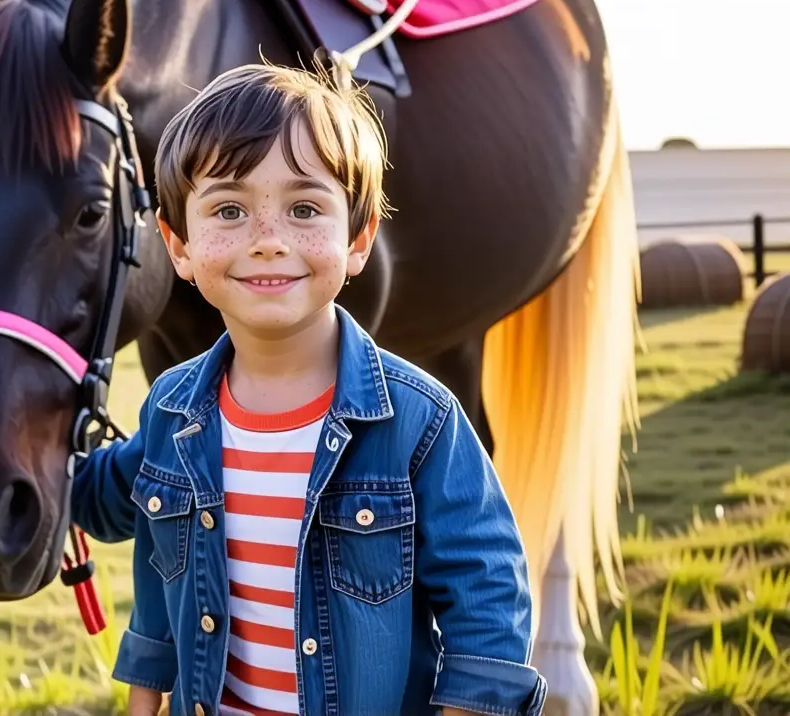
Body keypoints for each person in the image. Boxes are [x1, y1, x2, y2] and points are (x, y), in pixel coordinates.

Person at [69, 61, 547, 716]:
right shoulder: (171, 411)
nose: (268, 241)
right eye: (229, 209)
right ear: (178, 247)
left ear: (358, 239)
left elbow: (489, 599)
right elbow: (113, 509)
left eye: (304, 208)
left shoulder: (421, 422)